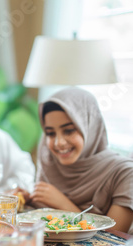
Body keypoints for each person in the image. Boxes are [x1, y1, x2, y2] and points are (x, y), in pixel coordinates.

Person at [27, 87, 133, 232]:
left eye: (69, 130)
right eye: (50, 133)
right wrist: (26, 199)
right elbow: (39, 221)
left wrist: (64, 205)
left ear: (90, 126)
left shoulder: (124, 173)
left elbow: (113, 239)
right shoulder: (50, 162)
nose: (59, 142)